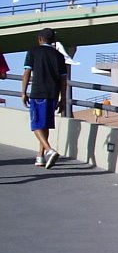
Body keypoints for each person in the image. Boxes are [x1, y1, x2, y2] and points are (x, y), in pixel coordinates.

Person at [21, 27, 67, 169]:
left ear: (40, 39)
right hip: (53, 93)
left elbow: (27, 72)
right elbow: (63, 81)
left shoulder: (33, 52)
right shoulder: (59, 56)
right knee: (44, 124)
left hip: (38, 92)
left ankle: (49, 150)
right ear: (53, 40)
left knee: (35, 124)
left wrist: (23, 92)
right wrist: (63, 99)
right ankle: (40, 156)